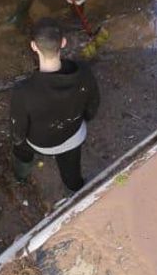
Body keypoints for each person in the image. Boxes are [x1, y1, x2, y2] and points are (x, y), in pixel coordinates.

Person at [9, 18, 101, 194]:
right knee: (71, 168)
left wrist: (19, 140)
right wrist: (82, 118)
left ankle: (21, 175)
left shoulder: (23, 91)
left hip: (40, 143)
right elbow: (93, 106)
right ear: (63, 42)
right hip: (73, 136)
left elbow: (18, 131)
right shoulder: (83, 71)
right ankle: (75, 191)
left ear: (34, 46)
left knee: (19, 146)